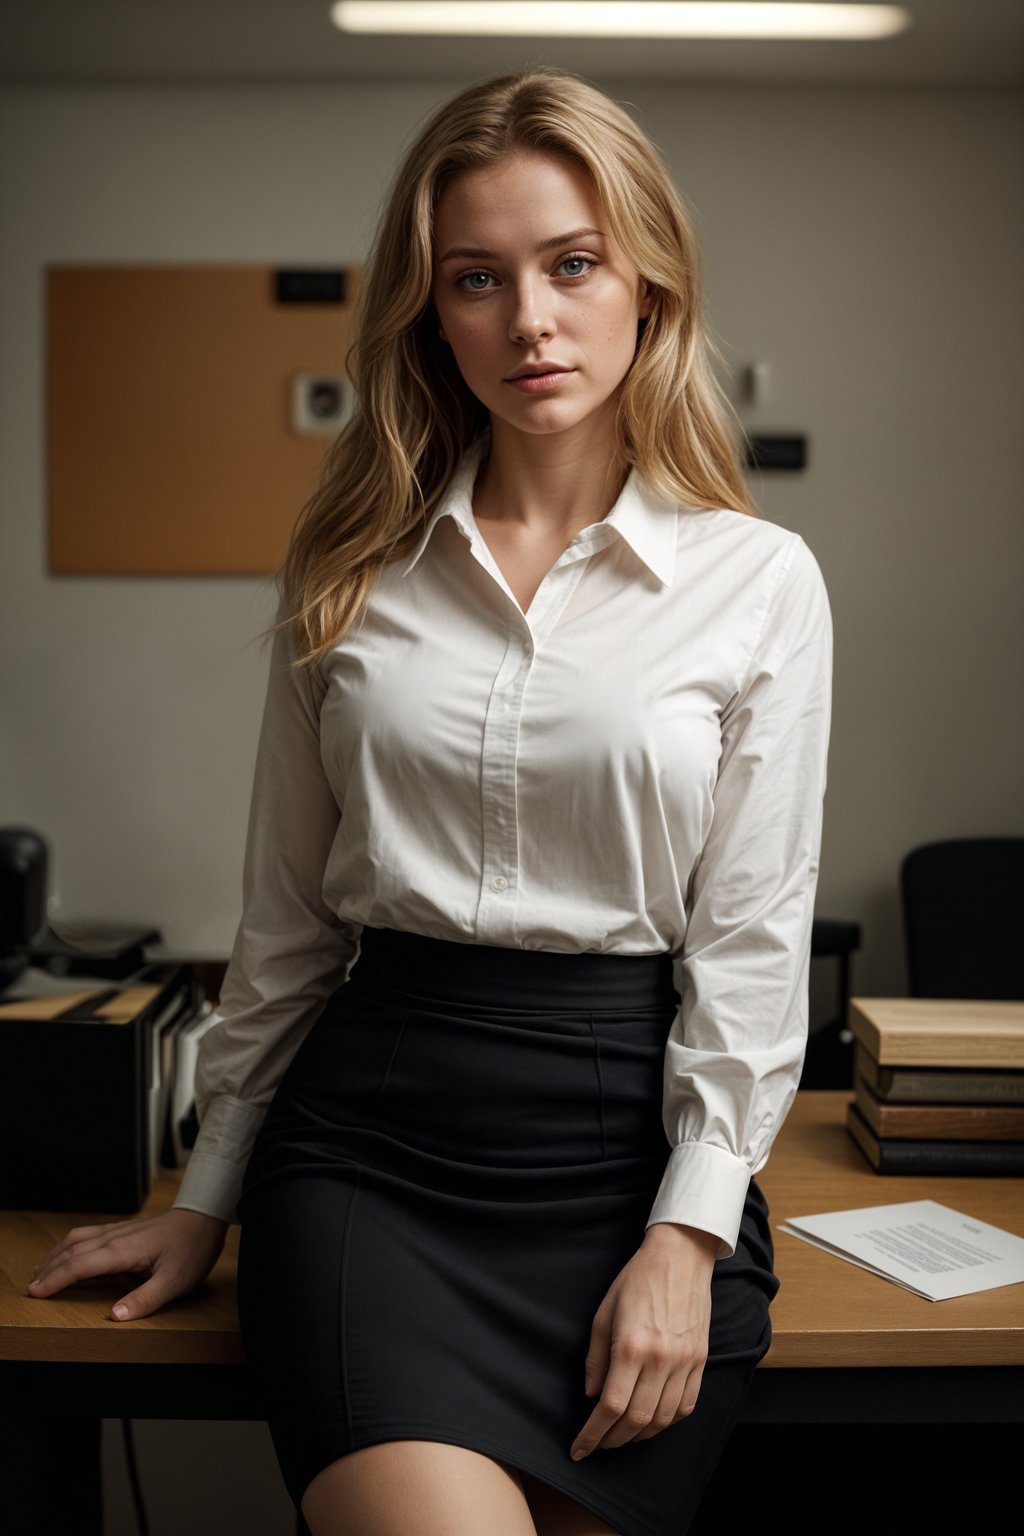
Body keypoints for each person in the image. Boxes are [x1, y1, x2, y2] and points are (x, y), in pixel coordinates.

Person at [27, 68, 832, 1536]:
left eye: (572, 265)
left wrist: (689, 1237)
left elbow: (755, 947)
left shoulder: (760, 582)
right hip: (376, 1165)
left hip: (631, 1166)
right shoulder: (347, 567)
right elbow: (283, 924)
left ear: (647, 283)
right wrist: (207, 1194)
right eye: (479, 278)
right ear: (431, 311)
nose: (530, 318)